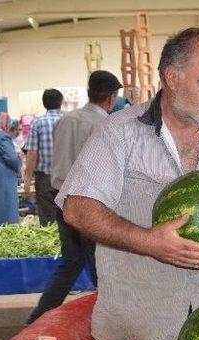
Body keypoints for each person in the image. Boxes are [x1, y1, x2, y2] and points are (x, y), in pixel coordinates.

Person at [54, 28, 199, 340]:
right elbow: (78, 208)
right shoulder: (119, 133)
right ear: (172, 77)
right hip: (135, 327)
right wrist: (149, 242)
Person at [26, 70, 122, 325]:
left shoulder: (66, 120)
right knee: (101, 263)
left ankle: (38, 317)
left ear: (90, 92)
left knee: (72, 261)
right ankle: (110, 321)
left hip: (60, 196)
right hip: (88, 201)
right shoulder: (104, 125)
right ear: (111, 98)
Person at [23, 89, 64, 226]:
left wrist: (27, 180)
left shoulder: (37, 123)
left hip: (45, 179)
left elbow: (32, 153)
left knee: (47, 220)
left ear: (44, 104)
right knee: (67, 219)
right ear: (61, 102)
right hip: (67, 178)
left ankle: (51, 246)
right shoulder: (69, 120)